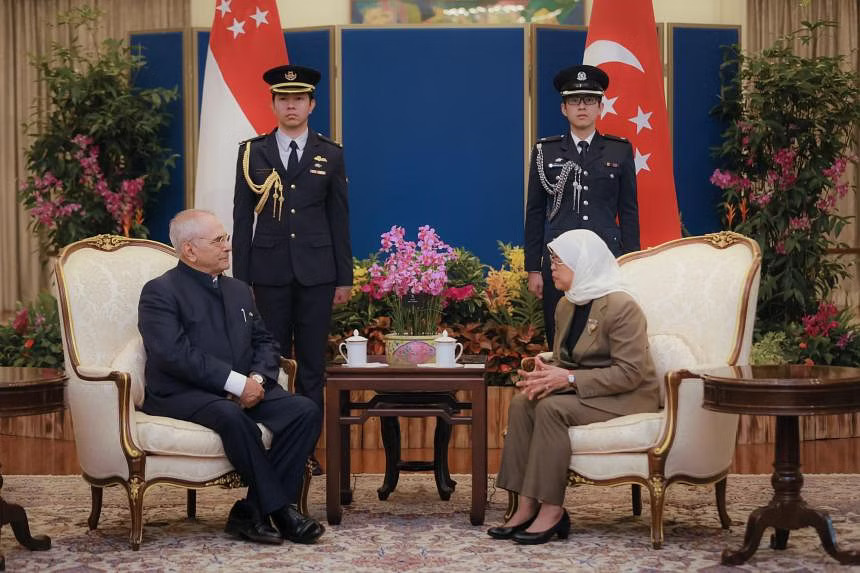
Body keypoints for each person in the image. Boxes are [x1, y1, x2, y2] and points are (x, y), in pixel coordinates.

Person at [138, 209, 325, 545]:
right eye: (219, 240)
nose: (228, 247)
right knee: (230, 415)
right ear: (190, 250)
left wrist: (256, 379)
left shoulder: (238, 290)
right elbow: (174, 355)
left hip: (243, 387)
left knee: (305, 410)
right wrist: (236, 384)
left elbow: (266, 343)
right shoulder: (159, 292)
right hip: (183, 394)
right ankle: (282, 511)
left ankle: (250, 511)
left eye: (226, 238)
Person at [488, 229, 658, 545]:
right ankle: (526, 504)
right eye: (551, 259)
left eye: (558, 260)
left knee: (552, 408)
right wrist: (548, 370)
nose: (551, 266)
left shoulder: (622, 307)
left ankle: (552, 510)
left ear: (584, 263)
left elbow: (630, 373)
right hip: (589, 388)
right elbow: (570, 358)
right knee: (524, 402)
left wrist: (565, 379)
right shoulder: (567, 305)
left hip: (629, 395)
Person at [232, 64, 353, 476]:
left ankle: (304, 450)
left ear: (311, 104)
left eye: (298, 99)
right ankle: (269, 444)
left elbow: (340, 219)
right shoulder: (252, 152)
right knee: (271, 362)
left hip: (318, 274)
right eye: (283, 99)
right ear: (273, 104)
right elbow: (241, 217)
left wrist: (344, 277)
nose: (291, 106)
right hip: (267, 273)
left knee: (312, 368)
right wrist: (240, 279)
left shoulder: (330, 153)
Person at [524, 64, 640, 347]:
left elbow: (628, 212)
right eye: (574, 101)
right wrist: (533, 268)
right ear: (564, 109)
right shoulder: (545, 151)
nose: (582, 107)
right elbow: (535, 212)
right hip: (558, 262)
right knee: (559, 336)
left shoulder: (619, 149)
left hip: (606, 259)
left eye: (589, 100)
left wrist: (632, 262)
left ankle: (593, 389)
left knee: (603, 338)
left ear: (601, 107)